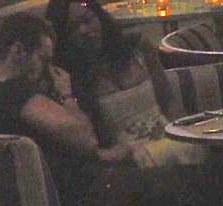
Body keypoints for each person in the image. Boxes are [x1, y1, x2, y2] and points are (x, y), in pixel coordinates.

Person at [0, 12, 185, 206]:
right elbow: (85, 138)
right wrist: (66, 94)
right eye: (43, 59)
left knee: (184, 175)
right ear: (18, 51)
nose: (46, 70)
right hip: (85, 197)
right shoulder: (13, 94)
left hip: (88, 187)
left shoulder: (0, 96)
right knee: (190, 180)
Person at [45, 0, 204, 168]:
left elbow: (168, 102)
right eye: (72, 28)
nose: (83, 30)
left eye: (87, 20)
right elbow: (85, 143)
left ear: (99, 17)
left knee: (204, 146)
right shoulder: (67, 77)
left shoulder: (137, 49)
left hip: (169, 141)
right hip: (128, 160)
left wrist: (186, 132)